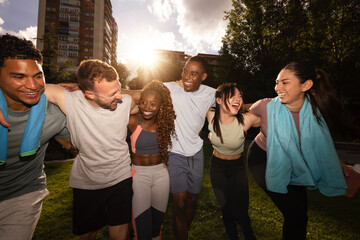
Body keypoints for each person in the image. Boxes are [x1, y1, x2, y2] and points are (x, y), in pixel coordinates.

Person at [246, 61, 351, 240]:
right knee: (295, 214)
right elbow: (245, 114)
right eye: (277, 82)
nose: (277, 87)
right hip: (262, 159)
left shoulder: (316, 111)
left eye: (285, 82)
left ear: (306, 85)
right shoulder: (266, 106)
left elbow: (321, 142)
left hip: (295, 162)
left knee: (301, 214)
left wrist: (339, 164)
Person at [45, 59, 137, 240]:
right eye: (111, 94)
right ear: (89, 94)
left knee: (120, 233)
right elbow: (29, 85)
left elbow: (147, 97)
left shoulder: (125, 102)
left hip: (120, 177)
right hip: (87, 181)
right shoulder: (70, 100)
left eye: (118, 89)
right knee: (87, 234)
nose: (119, 96)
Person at [0, 34, 72, 240]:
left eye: (38, 76)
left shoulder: (55, 114)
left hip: (23, 195)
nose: (32, 86)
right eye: (19, 76)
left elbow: (72, 144)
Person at [163, 56, 216, 240]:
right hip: (174, 154)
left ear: (203, 76)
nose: (187, 77)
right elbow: (141, 93)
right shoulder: (168, 88)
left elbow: (234, 102)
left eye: (193, 74)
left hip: (196, 153)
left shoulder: (211, 94)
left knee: (192, 200)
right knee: (179, 204)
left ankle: (183, 230)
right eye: (185, 71)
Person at [206, 83, 259, 240]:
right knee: (226, 208)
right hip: (217, 167)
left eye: (240, 96)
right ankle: (232, 236)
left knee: (241, 211)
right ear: (219, 100)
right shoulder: (210, 115)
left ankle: (249, 235)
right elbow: (192, 102)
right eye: (232, 96)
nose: (238, 99)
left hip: (237, 168)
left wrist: (244, 107)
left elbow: (269, 112)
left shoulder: (246, 120)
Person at [129, 80, 176, 240]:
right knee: (142, 232)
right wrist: (136, 100)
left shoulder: (166, 123)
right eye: (143, 102)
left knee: (157, 229)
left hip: (161, 175)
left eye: (153, 104)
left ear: (161, 106)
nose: (147, 107)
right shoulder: (133, 121)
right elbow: (119, 99)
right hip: (139, 176)